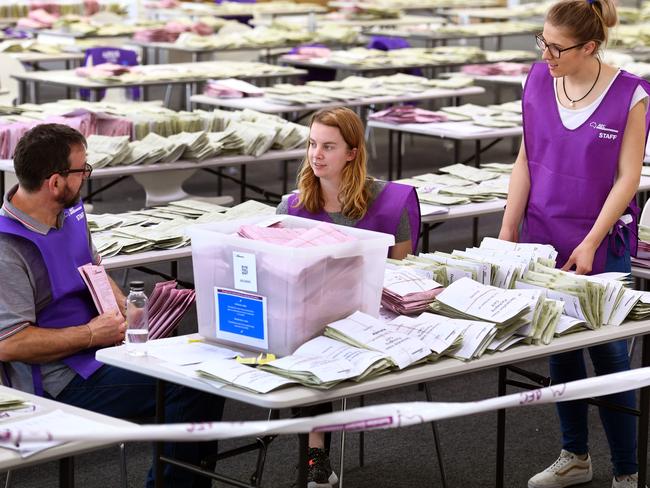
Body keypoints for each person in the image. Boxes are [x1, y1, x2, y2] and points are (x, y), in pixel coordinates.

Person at [0, 123, 224, 487]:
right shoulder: (8, 248)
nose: (88, 176)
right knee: (188, 388)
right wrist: (91, 333)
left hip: (104, 350)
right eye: (82, 170)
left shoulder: (67, 213)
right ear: (55, 182)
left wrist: (123, 306)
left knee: (209, 372)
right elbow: (10, 343)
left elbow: (93, 268)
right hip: (61, 381)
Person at [498, 1, 649, 487]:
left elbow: (628, 179)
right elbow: (526, 160)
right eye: (541, 41)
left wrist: (590, 242)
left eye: (556, 47)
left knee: (608, 356)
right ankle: (575, 456)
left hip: (599, 240)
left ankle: (627, 471)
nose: (546, 53)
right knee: (557, 346)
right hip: (542, 235)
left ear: (590, 46)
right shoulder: (538, 79)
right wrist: (507, 230)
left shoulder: (631, 95)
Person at [276, 107, 421, 488]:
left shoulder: (390, 202)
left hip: (373, 316)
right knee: (308, 343)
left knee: (319, 344)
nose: (316, 155)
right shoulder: (291, 208)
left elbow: (402, 274)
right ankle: (315, 455)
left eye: (328, 146)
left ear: (352, 153)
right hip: (311, 319)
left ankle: (315, 454)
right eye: (311, 144)